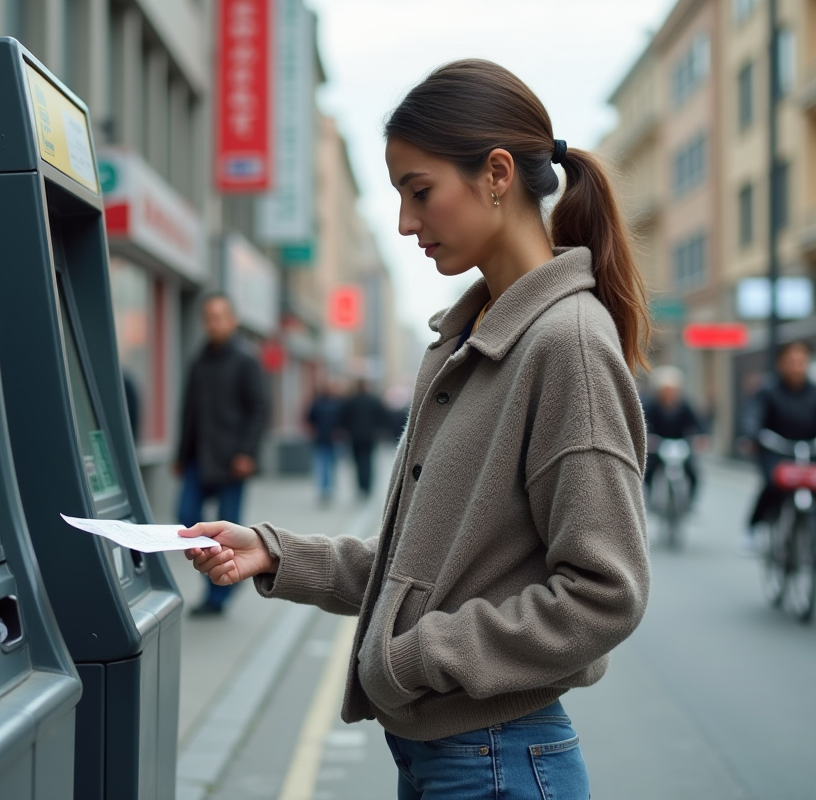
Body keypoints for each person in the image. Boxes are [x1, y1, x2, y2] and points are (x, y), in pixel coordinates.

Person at [180, 60, 650, 800]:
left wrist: (417, 655)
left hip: (497, 762)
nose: (405, 222)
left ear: (497, 173)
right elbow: (427, 563)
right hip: (457, 759)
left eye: (419, 191)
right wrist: (273, 554)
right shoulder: (475, 339)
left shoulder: (566, 344)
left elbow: (604, 594)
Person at [175, 293, 269, 616]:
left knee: (224, 534)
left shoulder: (246, 359)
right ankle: (220, 578)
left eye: (219, 317)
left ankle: (218, 596)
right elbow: (189, 412)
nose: (212, 324)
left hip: (232, 461)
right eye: (208, 318)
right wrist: (180, 453)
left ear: (232, 320)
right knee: (186, 515)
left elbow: (259, 409)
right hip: (198, 458)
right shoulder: (199, 360)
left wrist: (247, 452)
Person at [739, 340, 816, 562]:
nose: (796, 366)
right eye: (791, 361)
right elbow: (753, 414)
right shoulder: (767, 391)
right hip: (776, 450)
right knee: (773, 485)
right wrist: (751, 432)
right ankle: (753, 530)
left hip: (811, 450)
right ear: (780, 363)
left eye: (801, 361)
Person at [642, 365, 706, 505]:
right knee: (650, 470)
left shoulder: (684, 405)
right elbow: (645, 424)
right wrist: (648, 439)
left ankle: (690, 502)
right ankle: (649, 499)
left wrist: (700, 437)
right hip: (659, 445)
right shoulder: (652, 406)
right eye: (666, 390)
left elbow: (697, 423)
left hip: (681, 444)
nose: (669, 393)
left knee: (692, 472)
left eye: (672, 390)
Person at [339, 379, 387, 499]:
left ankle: (360, 487)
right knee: (368, 461)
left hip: (354, 437)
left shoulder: (351, 401)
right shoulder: (374, 401)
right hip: (370, 436)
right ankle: (367, 487)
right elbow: (382, 417)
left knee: (357, 462)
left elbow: (343, 418)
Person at [306, 381, 344, 505]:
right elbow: (310, 418)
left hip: (333, 439)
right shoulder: (319, 403)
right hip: (322, 438)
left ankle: (329, 488)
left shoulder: (337, 404)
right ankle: (324, 489)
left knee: (331, 465)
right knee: (323, 465)